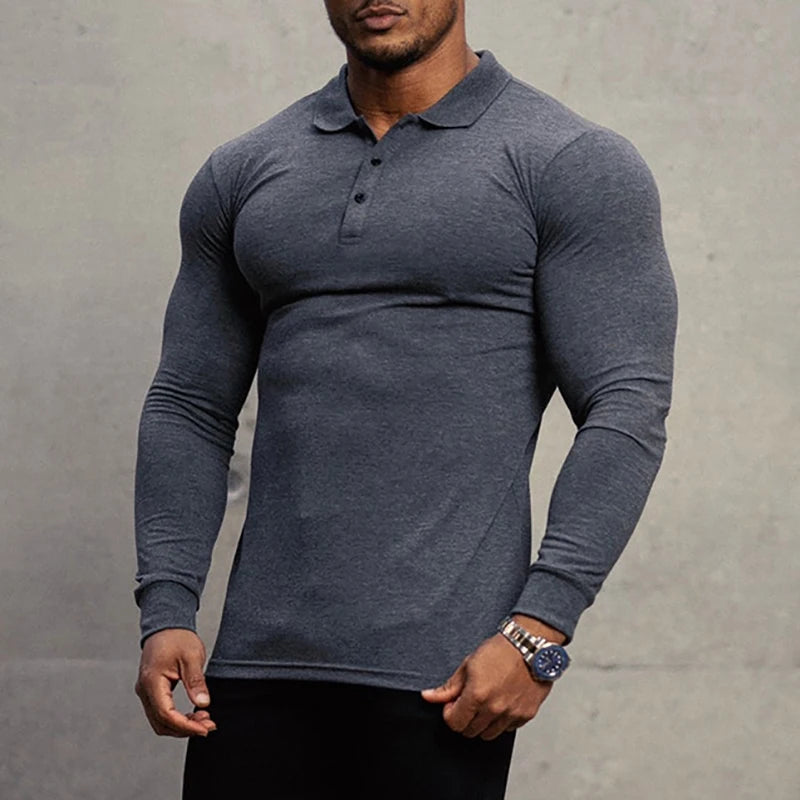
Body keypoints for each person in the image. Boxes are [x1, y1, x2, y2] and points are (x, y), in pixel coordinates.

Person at [132, 1, 678, 798]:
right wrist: (167, 607)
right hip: (249, 672)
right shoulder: (245, 169)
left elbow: (627, 405)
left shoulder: (569, 161)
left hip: (445, 682)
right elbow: (188, 404)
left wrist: (538, 632)